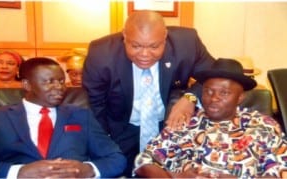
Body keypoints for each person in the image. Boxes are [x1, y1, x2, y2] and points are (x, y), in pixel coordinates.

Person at [82, 10, 215, 176]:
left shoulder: (186, 43)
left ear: (165, 36)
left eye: (154, 46)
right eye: (135, 46)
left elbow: (213, 75)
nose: (144, 55)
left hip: (168, 129)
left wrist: (189, 98)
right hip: (121, 128)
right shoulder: (101, 53)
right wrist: (105, 145)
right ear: (124, 36)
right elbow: (96, 105)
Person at [134, 58, 287, 178]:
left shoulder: (263, 126)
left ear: (240, 97)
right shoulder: (184, 122)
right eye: (208, 91)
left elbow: (281, 171)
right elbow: (143, 162)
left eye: (224, 93)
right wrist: (176, 177)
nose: (213, 98)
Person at [0, 57, 126, 178]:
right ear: (27, 85)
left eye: (61, 81)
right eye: (49, 81)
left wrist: (88, 170)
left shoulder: (81, 115)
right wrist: (19, 172)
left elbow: (116, 158)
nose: (59, 87)